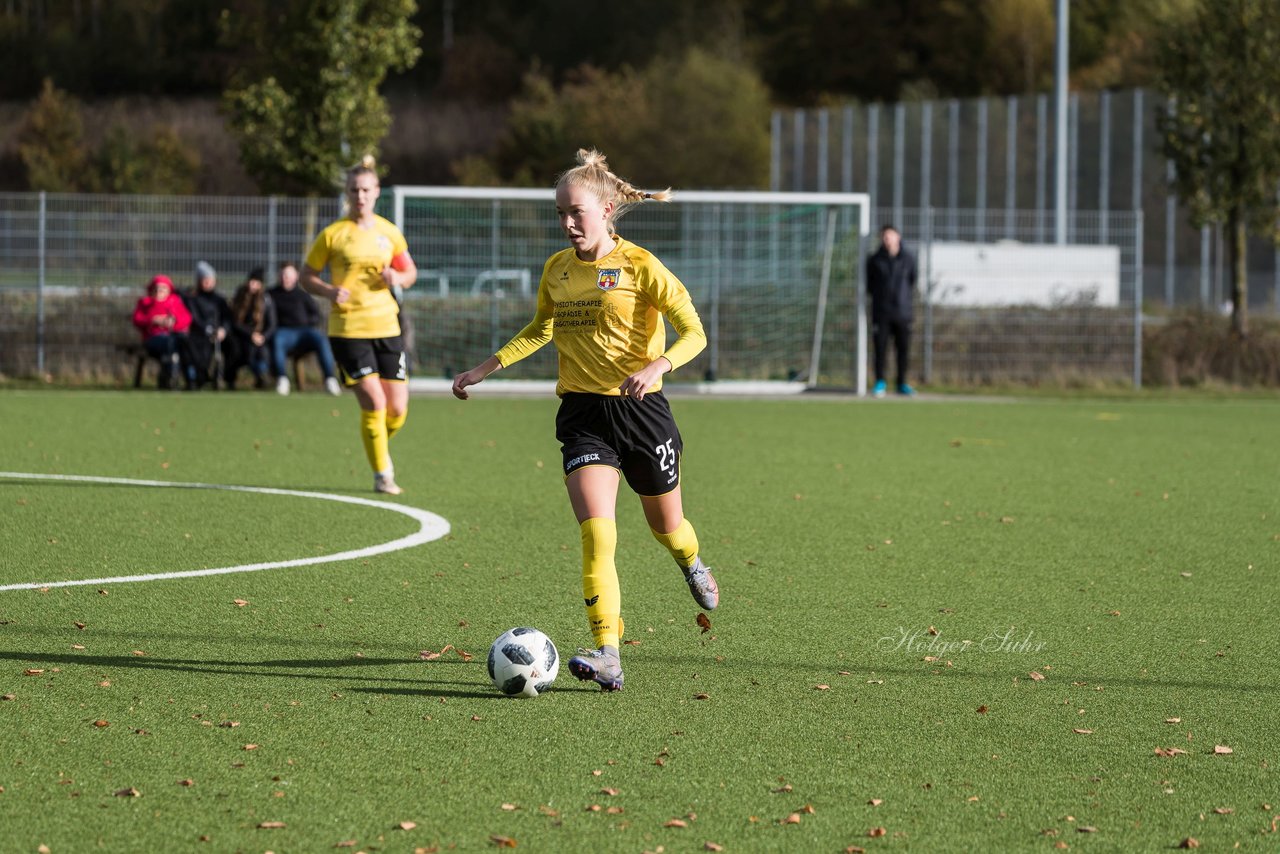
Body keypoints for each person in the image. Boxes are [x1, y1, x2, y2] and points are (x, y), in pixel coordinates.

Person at [451, 148, 720, 693]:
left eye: (577, 212)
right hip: (583, 415)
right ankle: (609, 653)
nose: (568, 223)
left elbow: (695, 332)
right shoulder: (557, 269)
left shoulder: (642, 267)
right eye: (560, 214)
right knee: (598, 535)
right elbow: (540, 329)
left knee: (667, 529)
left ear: (607, 208)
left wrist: (658, 365)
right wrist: (488, 365)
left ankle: (691, 561)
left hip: (642, 413)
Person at [301, 156, 418, 494]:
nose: (360, 195)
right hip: (348, 329)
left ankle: (375, 441)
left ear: (377, 191)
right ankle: (383, 474)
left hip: (387, 327)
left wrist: (396, 276)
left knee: (397, 409)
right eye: (354, 190)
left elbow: (410, 272)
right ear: (347, 193)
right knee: (375, 404)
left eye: (366, 189)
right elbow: (307, 276)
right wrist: (327, 290)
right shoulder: (333, 235)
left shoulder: (388, 232)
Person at [269, 261, 341, 396]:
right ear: (279, 276)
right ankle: (282, 379)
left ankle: (330, 379)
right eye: (284, 275)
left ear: (296, 276)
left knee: (320, 339)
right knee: (277, 340)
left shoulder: (303, 295)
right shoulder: (271, 295)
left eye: (289, 275)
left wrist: (307, 322)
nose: (286, 278)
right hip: (283, 332)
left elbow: (316, 315)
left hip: (304, 332)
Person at [865, 225, 918, 397]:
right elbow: (870, 285)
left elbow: (912, 281)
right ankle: (880, 382)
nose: (888, 240)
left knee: (903, 349)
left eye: (890, 236)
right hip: (881, 312)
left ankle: (901, 383)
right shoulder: (874, 260)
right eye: (884, 237)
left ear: (898, 237)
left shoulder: (908, 259)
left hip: (903, 312)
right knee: (880, 349)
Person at [131, 274, 193, 389]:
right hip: (153, 339)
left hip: (175, 337)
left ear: (169, 290)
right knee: (170, 343)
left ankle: (190, 379)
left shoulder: (175, 303)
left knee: (183, 344)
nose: (159, 290)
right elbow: (137, 319)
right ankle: (169, 378)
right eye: (157, 288)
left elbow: (186, 319)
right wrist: (153, 320)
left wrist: (173, 322)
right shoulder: (145, 303)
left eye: (163, 288)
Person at [225, 267, 278, 390]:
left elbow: (272, 324)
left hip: (259, 336)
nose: (251, 285)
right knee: (236, 350)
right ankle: (230, 380)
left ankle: (262, 377)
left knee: (262, 351)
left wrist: (263, 336)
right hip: (240, 335)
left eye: (255, 282)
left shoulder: (266, 299)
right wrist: (251, 335)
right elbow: (235, 322)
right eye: (250, 281)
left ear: (260, 284)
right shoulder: (240, 296)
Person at [185, 260, 234, 390]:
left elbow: (227, 318)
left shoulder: (220, 300)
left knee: (235, 347)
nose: (208, 283)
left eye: (210, 279)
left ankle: (228, 378)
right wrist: (209, 330)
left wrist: (223, 330)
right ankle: (199, 378)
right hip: (201, 334)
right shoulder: (193, 299)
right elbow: (194, 319)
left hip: (219, 334)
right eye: (204, 280)